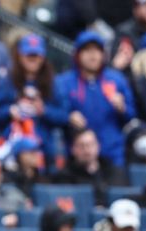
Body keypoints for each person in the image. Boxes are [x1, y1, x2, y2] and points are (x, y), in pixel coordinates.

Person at [55, 31, 136, 168]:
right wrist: (68, 116)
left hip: (112, 154)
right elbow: (52, 112)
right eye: (87, 50)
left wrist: (123, 108)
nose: (92, 55)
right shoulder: (64, 82)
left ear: (103, 55)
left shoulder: (116, 79)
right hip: (78, 158)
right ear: (77, 55)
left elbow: (131, 115)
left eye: (97, 50)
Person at [0, 34, 68, 167]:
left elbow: (64, 115)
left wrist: (44, 110)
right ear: (20, 56)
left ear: (42, 57)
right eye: (28, 55)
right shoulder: (7, 81)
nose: (32, 59)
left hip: (44, 149)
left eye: (36, 55)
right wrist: (10, 111)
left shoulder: (53, 83)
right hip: (12, 148)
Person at [53, 128, 128, 207]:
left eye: (90, 144)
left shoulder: (114, 172)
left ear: (98, 146)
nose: (87, 150)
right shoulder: (64, 177)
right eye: (82, 146)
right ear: (73, 149)